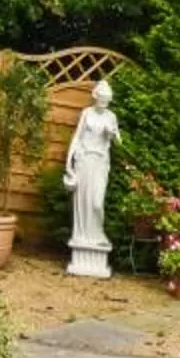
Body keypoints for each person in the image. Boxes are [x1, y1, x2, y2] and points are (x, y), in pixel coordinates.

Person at [63, 78, 120, 274]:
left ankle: (97, 234)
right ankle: (82, 237)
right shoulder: (86, 113)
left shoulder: (111, 116)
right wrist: (68, 164)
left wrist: (110, 134)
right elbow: (77, 138)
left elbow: (118, 141)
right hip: (84, 160)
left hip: (100, 163)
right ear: (95, 97)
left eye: (107, 100)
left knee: (96, 202)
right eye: (101, 98)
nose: (104, 102)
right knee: (83, 201)